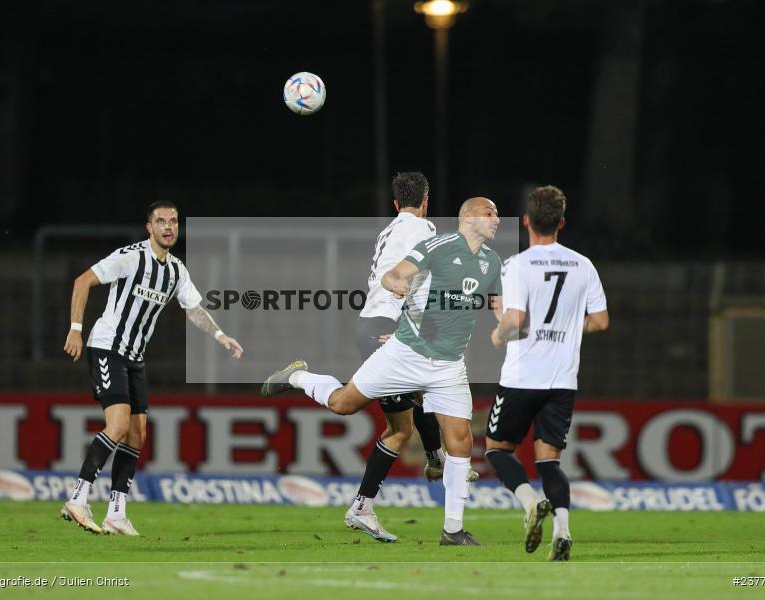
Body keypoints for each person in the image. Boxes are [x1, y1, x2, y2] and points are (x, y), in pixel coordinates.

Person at [262, 197, 503, 546]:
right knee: (345, 404)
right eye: (489, 212)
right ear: (467, 217)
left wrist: (510, 325)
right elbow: (396, 273)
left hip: (449, 365)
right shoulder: (436, 242)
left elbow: (500, 306)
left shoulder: (491, 262)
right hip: (404, 353)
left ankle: (452, 529)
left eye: (497, 213)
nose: (496, 218)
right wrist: (395, 283)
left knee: (461, 439)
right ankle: (297, 377)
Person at [62, 201, 243, 536]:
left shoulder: (176, 270)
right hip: (107, 348)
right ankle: (78, 497)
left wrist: (220, 335)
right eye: (161, 221)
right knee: (116, 426)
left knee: (137, 434)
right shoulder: (131, 257)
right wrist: (75, 327)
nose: (168, 227)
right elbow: (82, 281)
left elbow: (194, 309)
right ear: (149, 227)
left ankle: (116, 512)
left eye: (173, 221)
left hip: (135, 357)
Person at [347, 171, 478, 543]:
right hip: (390, 327)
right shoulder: (426, 232)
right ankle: (301, 380)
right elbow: (431, 284)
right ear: (425, 202)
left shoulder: (388, 230)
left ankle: (369, 503)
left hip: (369, 324)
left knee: (412, 408)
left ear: (395, 203)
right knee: (400, 425)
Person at [485, 185, 608, 561]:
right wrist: (572, 327)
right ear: (562, 222)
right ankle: (564, 531)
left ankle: (530, 502)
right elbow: (601, 321)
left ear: (525, 222)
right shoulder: (583, 264)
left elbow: (517, 319)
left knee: (497, 450)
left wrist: (498, 331)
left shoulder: (517, 265)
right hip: (561, 380)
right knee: (549, 460)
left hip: (523, 376)